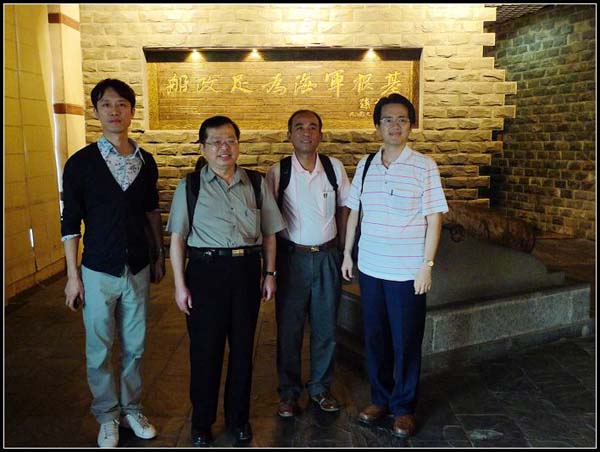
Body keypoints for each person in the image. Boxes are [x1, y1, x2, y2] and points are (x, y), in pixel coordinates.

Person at [167, 116, 285, 446]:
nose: (224, 148)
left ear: (238, 145)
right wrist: (179, 285)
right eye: (216, 142)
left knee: (243, 350)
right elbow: (177, 239)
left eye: (231, 140)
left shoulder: (256, 183)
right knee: (205, 352)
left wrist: (270, 273)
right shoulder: (190, 186)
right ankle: (201, 423)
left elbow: (269, 234)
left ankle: (238, 419)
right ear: (203, 148)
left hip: (246, 271)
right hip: (205, 273)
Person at [61, 78, 165, 448]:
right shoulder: (80, 164)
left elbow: (151, 211)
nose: (114, 111)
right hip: (97, 270)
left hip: (136, 267)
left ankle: (132, 408)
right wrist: (72, 276)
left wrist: (157, 254)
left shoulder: (145, 161)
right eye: (106, 104)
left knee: (135, 346)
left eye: (121, 104)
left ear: (132, 111)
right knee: (99, 349)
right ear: (96, 111)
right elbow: (70, 223)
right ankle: (107, 415)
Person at [341, 93, 448, 438]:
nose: (395, 125)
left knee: (406, 341)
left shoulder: (424, 166)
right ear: (378, 126)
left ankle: (403, 408)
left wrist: (426, 265)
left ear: (411, 125)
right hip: (371, 268)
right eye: (388, 119)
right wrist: (348, 254)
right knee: (375, 338)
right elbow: (354, 213)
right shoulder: (365, 165)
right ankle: (380, 399)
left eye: (402, 119)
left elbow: (434, 219)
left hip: (406, 272)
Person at [266, 110, 351, 417]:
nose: (306, 132)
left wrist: (343, 250)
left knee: (326, 327)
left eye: (313, 127)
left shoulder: (334, 168)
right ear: (289, 134)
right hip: (292, 259)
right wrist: (270, 269)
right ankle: (289, 393)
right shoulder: (279, 171)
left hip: (328, 256)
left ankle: (320, 388)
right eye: (299, 127)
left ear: (321, 134)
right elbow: (269, 222)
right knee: (290, 329)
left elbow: (344, 208)